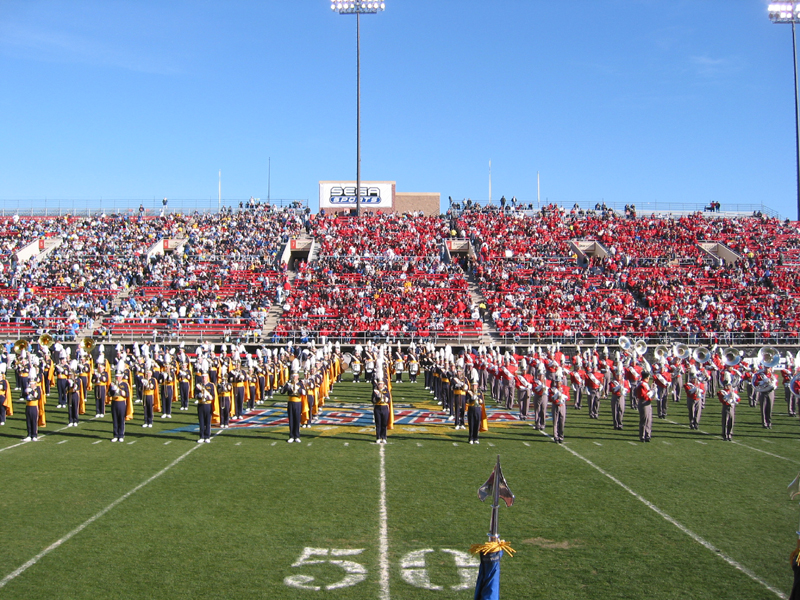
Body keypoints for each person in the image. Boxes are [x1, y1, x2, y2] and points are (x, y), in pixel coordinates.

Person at [281, 371, 305, 443]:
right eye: (293, 376)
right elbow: (282, 392)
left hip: (298, 402)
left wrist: (299, 389)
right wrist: (287, 387)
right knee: (291, 419)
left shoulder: (300, 384)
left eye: (295, 376)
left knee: (297, 419)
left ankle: (297, 436)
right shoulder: (289, 383)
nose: (294, 377)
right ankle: (291, 436)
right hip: (290, 402)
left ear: (298, 377)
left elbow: (304, 392)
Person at [634, 371, 654, 442]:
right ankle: (642, 436)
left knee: (649, 419)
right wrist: (651, 395)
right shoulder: (642, 384)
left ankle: (648, 435)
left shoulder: (645, 384)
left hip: (647, 402)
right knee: (644, 419)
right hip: (643, 402)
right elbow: (643, 395)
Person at [110, 370, 130, 442]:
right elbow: (109, 394)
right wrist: (112, 390)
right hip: (114, 402)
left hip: (121, 402)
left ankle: (121, 435)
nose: (117, 378)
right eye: (116, 376)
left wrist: (119, 390)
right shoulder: (112, 384)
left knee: (121, 419)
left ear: (121, 377)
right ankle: (115, 435)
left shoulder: (124, 384)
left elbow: (127, 395)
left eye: (119, 376)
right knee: (115, 419)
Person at [196, 371, 216, 443]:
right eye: (203, 377)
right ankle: (201, 436)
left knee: (208, 421)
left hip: (208, 405)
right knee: (201, 421)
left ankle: (207, 436)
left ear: (207, 377)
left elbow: (213, 396)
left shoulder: (211, 385)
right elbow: (195, 395)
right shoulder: (199, 385)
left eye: (205, 377)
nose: (204, 378)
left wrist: (209, 397)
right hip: (201, 404)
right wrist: (199, 396)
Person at [718, 374, 739, 441]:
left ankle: (730, 434)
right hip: (726, 407)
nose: (728, 387)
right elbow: (722, 400)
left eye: (729, 385)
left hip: (732, 407)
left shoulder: (733, 391)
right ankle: (724, 434)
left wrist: (734, 397)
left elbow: (738, 399)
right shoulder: (721, 392)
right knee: (725, 421)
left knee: (731, 421)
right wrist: (728, 397)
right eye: (726, 385)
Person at [371, 379, 391, 444]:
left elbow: (389, 400)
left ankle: (384, 437)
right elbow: (373, 400)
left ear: (383, 385)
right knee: (378, 423)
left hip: (384, 407)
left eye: (381, 384)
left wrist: (384, 397)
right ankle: (378, 437)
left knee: (384, 423)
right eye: (379, 384)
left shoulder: (386, 391)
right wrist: (377, 397)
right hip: (377, 407)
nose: (380, 385)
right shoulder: (375, 391)